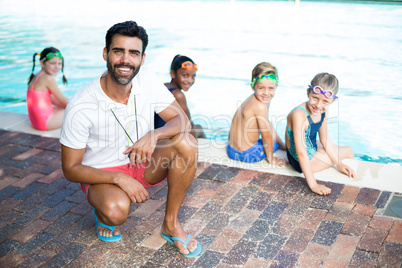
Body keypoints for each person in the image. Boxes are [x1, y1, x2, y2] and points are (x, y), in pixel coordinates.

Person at [60, 21, 201, 258]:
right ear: (106, 53)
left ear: (142, 58)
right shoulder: (80, 104)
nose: (126, 60)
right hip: (103, 173)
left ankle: (171, 223)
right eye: (118, 51)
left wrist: (154, 134)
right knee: (116, 211)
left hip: (142, 163)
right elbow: (70, 168)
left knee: (187, 142)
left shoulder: (146, 79)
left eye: (133, 53)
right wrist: (119, 178)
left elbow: (182, 121)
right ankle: (103, 215)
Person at [285, 72, 355, 195]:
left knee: (333, 152)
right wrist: (313, 185)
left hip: (311, 147)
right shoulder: (299, 115)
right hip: (300, 161)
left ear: (332, 101)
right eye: (315, 98)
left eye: (325, 102)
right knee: (348, 151)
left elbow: (325, 139)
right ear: (308, 93)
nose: (318, 105)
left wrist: (339, 163)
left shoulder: (323, 112)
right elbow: (301, 153)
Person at [227, 62, 286, 165]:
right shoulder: (260, 105)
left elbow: (266, 125)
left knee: (267, 123)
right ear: (253, 86)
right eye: (261, 88)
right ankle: (280, 145)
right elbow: (266, 135)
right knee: (273, 143)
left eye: (271, 88)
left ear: (276, 86)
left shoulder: (253, 99)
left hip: (231, 150)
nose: (266, 93)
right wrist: (271, 159)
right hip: (247, 154)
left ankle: (282, 145)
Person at [154, 54, 206, 139]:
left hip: (158, 135)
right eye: (185, 75)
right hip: (166, 139)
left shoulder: (164, 86)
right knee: (198, 128)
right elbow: (189, 123)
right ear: (173, 74)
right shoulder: (178, 95)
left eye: (193, 76)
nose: (189, 80)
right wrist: (193, 144)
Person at [27, 47, 69, 130]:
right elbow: (63, 100)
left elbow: (52, 99)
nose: (57, 67)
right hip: (45, 123)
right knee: (78, 112)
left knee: (69, 107)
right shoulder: (47, 78)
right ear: (42, 63)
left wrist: (67, 106)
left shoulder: (36, 76)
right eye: (52, 63)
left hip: (35, 122)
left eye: (59, 63)